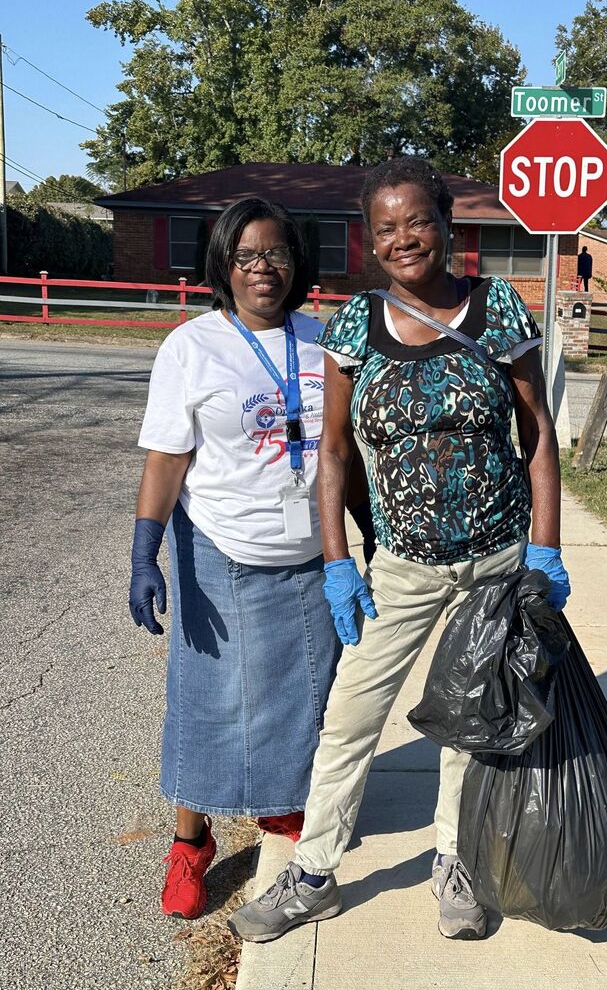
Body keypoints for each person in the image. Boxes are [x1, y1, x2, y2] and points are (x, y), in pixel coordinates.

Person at [228, 158, 570, 944]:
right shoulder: (356, 323)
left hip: (494, 564)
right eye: (386, 228)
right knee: (351, 716)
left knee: (467, 722)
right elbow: (334, 453)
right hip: (402, 567)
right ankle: (313, 872)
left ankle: (454, 861)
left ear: (445, 222)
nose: (404, 238)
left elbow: (538, 436)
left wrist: (544, 551)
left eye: (417, 220)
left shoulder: (497, 306)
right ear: (370, 242)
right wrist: (337, 560)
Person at [129, 196, 374, 920]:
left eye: (277, 254)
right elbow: (166, 457)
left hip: (309, 553)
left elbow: (342, 452)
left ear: (296, 263)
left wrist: (368, 534)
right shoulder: (193, 346)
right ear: (224, 267)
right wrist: (145, 551)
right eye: (247, 256)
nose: (263, 268)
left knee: (301, 697)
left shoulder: (322, 338)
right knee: (208, 706)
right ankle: (190, 844)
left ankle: (277, 807)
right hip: (221, 548)